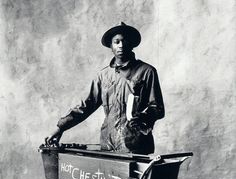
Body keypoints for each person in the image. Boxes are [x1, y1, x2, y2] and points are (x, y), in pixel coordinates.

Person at [45, 22, 164, 154]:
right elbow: (85, 106)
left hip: (136, 144)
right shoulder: (103, 76)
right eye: (116, 42)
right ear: (111, 46)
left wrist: (143, 117)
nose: (121, 45)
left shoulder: (147, 72)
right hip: (108, 145)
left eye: (125, 41)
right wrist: (60, 127)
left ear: (131, 44)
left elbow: (158, 108)